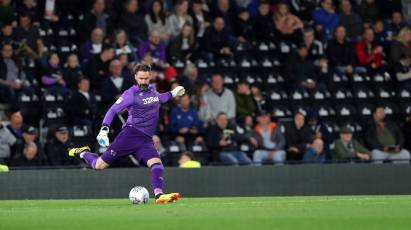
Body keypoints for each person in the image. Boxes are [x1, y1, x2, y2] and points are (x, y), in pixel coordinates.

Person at [68, 63, 185, 203]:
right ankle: (83, 153)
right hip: (130, 136)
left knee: (157, 165)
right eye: (140, 78)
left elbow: (160, 98)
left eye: (146, 78)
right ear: (135, 77)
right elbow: (112, 110)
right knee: (98, 166)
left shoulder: (152, 91)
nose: (143, 81)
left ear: (150, 77)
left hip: (145, 139)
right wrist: (104, 130)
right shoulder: (130, 93)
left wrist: (172, 93)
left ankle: (159, 195)